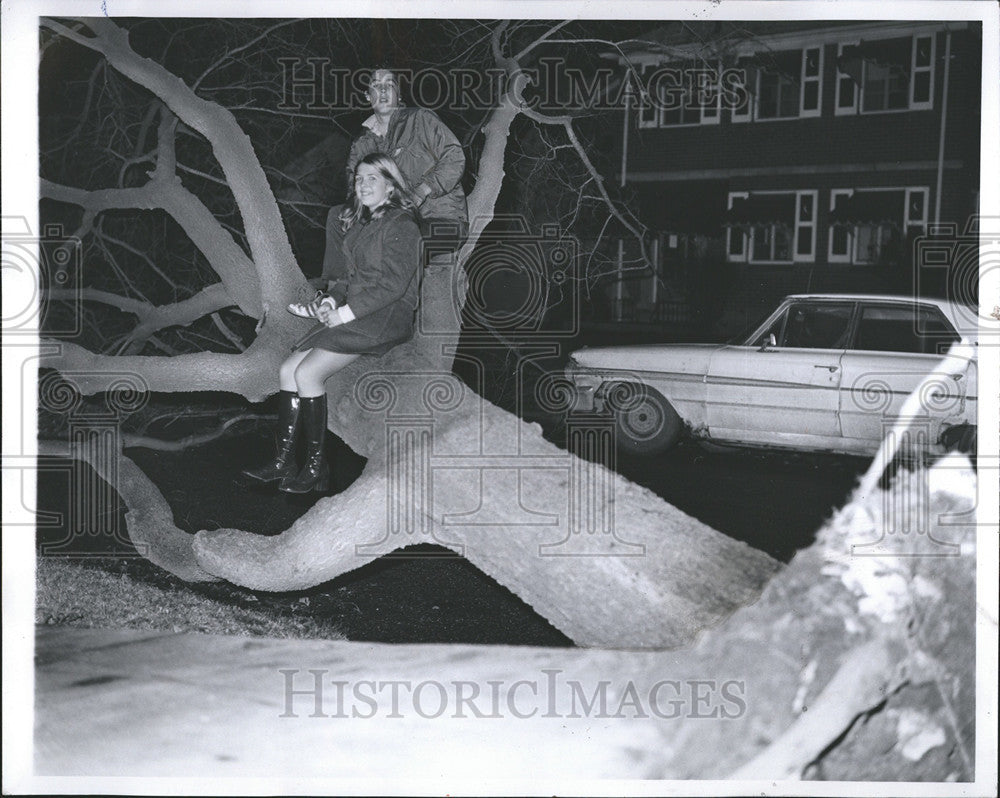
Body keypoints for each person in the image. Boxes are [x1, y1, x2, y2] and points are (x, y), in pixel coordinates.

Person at [244, 153, 423, 494]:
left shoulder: (403, 225)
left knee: (307, 374)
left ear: (390, 184)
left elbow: (392, 286)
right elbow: (343, 278)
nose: (363, 184)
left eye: (372, 177)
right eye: (359, 179)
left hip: (386, 315)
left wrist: (343, 313)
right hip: (358, 311)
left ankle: (316, 469)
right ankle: (283, 462)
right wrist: (330, 300)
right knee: (286, 371)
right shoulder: (358, 227)